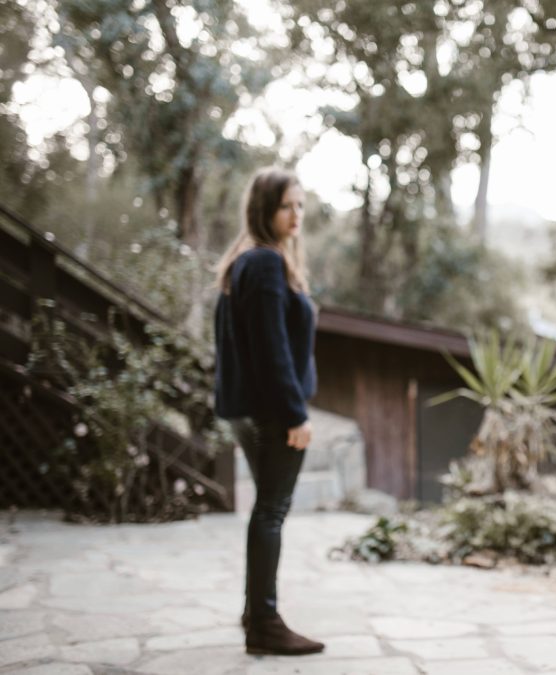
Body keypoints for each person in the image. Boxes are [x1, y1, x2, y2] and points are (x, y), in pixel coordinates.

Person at [214, 167, 324, 656]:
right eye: (286, 206)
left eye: (300, 205)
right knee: (271, 512)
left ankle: (256, 613)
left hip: (253, 411)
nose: (296, 214)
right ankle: (264, 622)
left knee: (267, 511)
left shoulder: (249, 261)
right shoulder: (262, 264)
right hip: (270, 414)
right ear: (264, 210)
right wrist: (294, 414)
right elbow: (271, 349)